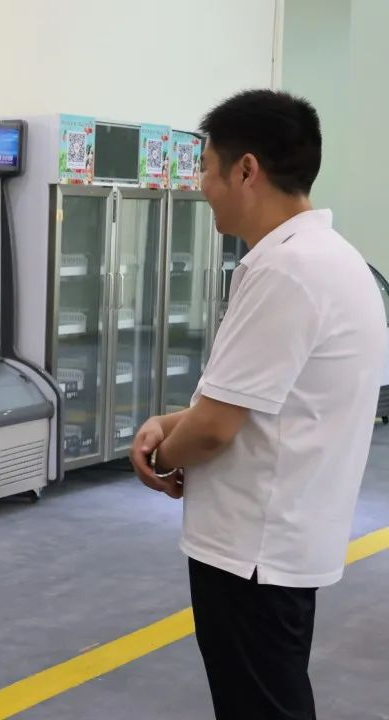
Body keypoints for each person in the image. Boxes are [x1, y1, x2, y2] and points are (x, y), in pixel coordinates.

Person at [130, 90, 386, 719]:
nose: (202, 187)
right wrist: (169, 421)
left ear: (246, 170)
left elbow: (215, 429)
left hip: (252, 551)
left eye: (206, 169)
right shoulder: (335, 260)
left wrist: (162, 456)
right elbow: (262, 399)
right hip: (284, 539)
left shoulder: (286, 271)